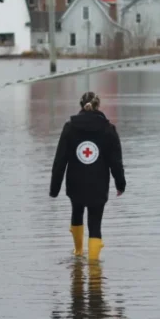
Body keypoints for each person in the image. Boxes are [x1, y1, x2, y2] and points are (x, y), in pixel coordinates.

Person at [50, 91, 126, 261]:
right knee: (95, 223)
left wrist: (54, 189)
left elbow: (60, 160)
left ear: (81, 105)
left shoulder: (70, 127)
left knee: (77, 213)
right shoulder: (108, 129)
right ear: (98, 106)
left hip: (75, 182)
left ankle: (78, 252)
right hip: (98, 184)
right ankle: (94, 267)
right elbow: (116, 161)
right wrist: (120, 184)